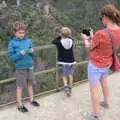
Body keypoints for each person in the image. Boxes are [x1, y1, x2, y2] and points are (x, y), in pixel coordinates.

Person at [81, 4, 120, 120]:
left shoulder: (101, 33)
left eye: (101, 18)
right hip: (107, 63)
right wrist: (93, 36)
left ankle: (95, 115)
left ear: (105, 17)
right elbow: (106, 44)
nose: (101, 20)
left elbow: (89, 47)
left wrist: (85, 39)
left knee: (94, 89)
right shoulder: (119, 30)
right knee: (104, 82)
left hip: (96, 65)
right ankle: (106, 102)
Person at [7, 21, 40, 112]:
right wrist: (19, 54)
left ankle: (32, 100)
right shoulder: (12, 43)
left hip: (30, 66)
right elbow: (11, 57)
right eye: (19, 32)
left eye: (23, 32)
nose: (21, 34)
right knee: (20, 86)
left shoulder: (28, 41)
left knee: (30, 84)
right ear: (15, 33)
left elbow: (34, 55)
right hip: (20, 68)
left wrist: (32, 51)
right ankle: (19, 104)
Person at [52, 27, 76, 96]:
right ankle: (70, 87)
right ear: (69, 35)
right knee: (70, 74)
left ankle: (66, 87)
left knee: (64, 75)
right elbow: (71, 38)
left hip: (63, 62)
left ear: (61, 34)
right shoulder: (71, 40)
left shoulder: (59, 42)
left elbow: (53, 41)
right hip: (72, 61)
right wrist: (67, 35)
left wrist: (59, 36)